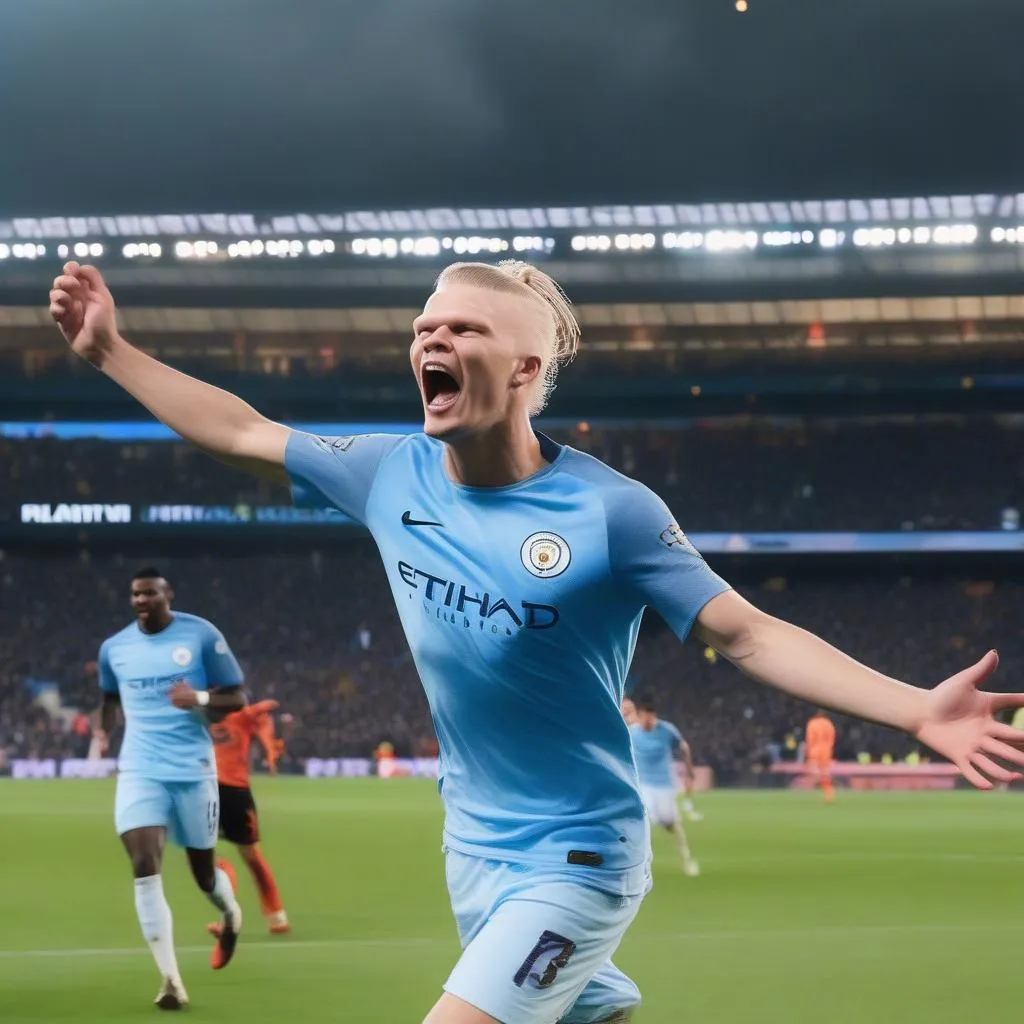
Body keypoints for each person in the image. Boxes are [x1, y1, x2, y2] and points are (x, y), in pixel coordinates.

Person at [52, 260, 1024, 1024]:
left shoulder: (612, 513)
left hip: (579, 851)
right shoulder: (390, 470)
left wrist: (913, 707)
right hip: (470, 840)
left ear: (522, 368)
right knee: (579, 1010)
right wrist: (111, 352)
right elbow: (243, 429)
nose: (431, 336)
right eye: (424, 325)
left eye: (462, 327)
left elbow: (748, 632)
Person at [94, 567, 246, 1010]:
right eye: (136, 594)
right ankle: (171, 981)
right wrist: (103, 734)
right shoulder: (115, 649)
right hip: (140, 770)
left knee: (203, 876)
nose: (142, 600)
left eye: (150, 593)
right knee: (145, 864)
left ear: (168, 595)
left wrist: (197, 699)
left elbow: (237, 697)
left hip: (193, 769)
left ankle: (230, 911)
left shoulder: (199, 636)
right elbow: (108, 698)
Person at [206, 699, 291, 936]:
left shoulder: (237, 716)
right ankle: (265, 917)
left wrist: (270, 746)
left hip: (223, 791)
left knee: (237, 857)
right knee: (214, 856)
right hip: (218, 791)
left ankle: (270, 916)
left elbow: (262, 720)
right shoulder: (206, 715)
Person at [629, 695, 699, 875]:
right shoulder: (632, 733)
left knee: (670, 822)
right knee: (645, 818)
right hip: (643, 784)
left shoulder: (667, 730)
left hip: (665, 783)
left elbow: (683, 747)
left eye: (651, 715)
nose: (648, 719)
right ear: (639, 715)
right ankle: (640, 867)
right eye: (644, 715)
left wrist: (689, 771)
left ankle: (686, 859)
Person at [805, 709, 837, 802]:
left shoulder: (812, 723)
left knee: (813, 772)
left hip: (815, 750)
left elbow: (810, 738)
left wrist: (808, 751)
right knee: (824, 773)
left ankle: (813, 790)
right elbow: (832, 738)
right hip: (826, 750)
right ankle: (828, 793)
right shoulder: (829, 724)